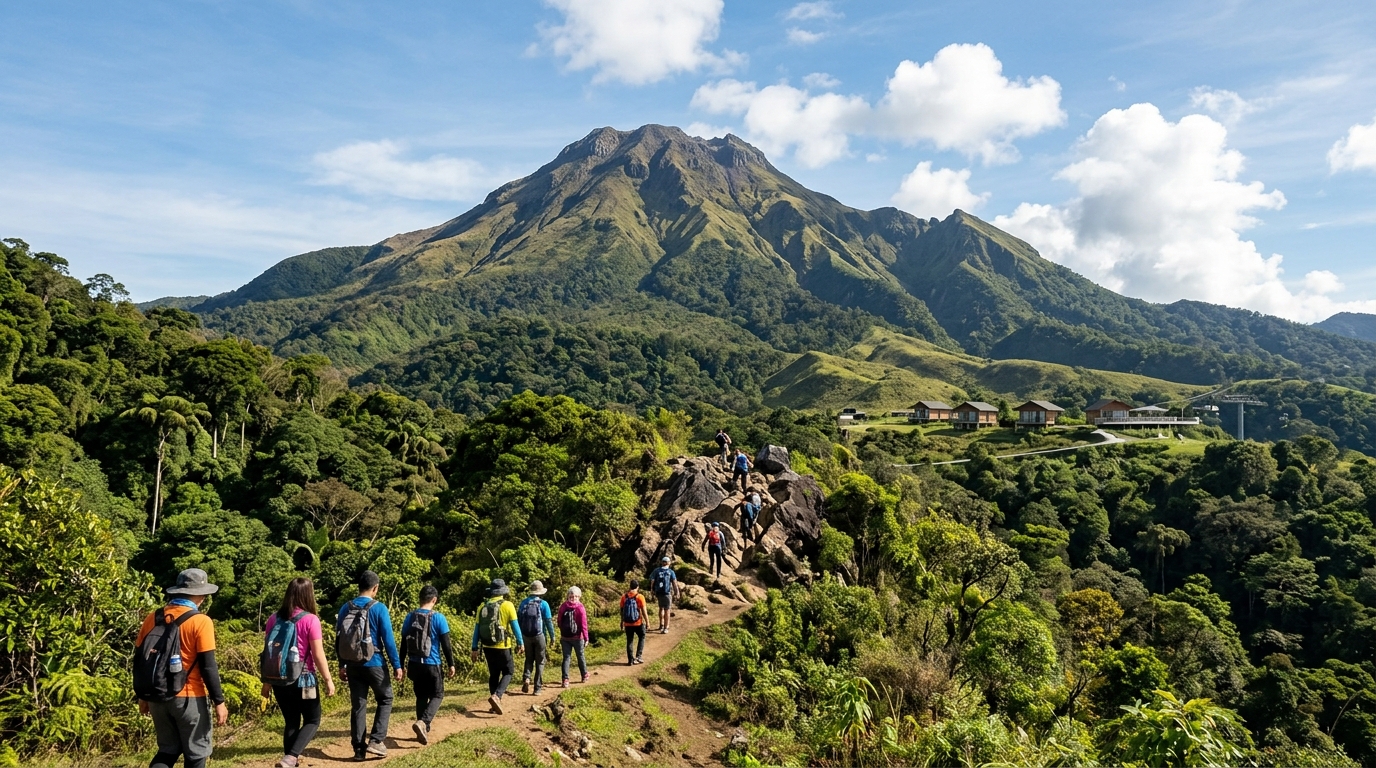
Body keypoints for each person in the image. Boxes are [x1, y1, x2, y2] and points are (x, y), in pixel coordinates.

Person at [134, 568, 229, 768]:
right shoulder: (201, 621)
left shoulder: (153, 617)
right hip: (189, 697)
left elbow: (142, 661)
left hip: (157, 696)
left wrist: (144, 697)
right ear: (199, 594)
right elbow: (208, 666)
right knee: (196, 754)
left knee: (167, 750)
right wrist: (219, 701)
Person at [261, 577, 335, 768]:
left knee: (291, 721)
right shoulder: (311, 620)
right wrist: (328, 680)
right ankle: (291, 757)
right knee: (312, 720)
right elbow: (318, 655)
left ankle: (288, 762)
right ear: (308, 595)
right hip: (305, 679)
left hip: (278, 678)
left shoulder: (273, 618)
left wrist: (266, 683)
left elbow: (268, 654)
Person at [335, 570, 403, 762]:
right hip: (375, 664)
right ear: (375, 588)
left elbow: (339, 639)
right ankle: (376, 740)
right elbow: (388, 639)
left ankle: (358, 750)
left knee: (358, 705)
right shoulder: (379, 608)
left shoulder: (344, 608)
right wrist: (397, 665)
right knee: (386, 698)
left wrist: (342, 664)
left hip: (353, 664)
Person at [401, 584, 455, 745]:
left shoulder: (410, 617)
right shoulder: (439, 618)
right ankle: (423, 723)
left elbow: (403, 643)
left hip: (414, 664)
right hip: (432, 663)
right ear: (434, 600)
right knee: (438, 695)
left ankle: (423, 727)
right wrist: (451, 664)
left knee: (421, 696)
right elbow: (446, 645)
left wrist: (400, 664)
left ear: (420, 599)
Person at [471, 578, 524, 715]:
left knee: (493, 674)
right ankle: (497, 696)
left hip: (487, 646)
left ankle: (494, 706)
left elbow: (476, 630)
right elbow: (515, 626)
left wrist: (474, 648)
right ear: (503, 592)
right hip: (503, 646)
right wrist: (520, 642)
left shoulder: (481, 607)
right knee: (509, 671)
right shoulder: (508, 605)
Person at [518, 581, 556, 695]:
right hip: (539, 636)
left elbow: (519, 621)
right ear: (540, 592)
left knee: (529, 659)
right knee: (540, 661)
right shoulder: (543, 604)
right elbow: (548, 622)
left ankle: (527, 678)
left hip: (526, 636)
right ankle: (537, 688)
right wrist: (552, 636)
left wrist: (519, 639)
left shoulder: (523, 603)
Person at [556, 586, 589, 688]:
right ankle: (584, 675)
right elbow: (583, 624)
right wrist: (586, 638)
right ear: (579, 596)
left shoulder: (563, 606)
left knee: (566, 658)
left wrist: (562, 631)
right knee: (580, 656)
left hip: (565, 637)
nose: (574, 597)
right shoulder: (580, 608)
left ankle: (565, 680)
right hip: (577, 637)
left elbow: (559, 621)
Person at [648, 556, 680, 634]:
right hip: (667, 593)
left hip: (659, 593)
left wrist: (652, 590)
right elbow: (674, 583)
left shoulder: (656, 571)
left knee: (661, 608)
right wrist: (677, 592)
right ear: (668, 563)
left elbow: (652, 580)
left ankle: (661, 625)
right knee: (667, 610)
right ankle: (666, 627)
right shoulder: (670, 572)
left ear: (662, 562)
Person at [620, 579, 648, 665]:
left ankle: (630, 660)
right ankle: (638, 656)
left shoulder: (624, 597)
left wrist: (622, 622)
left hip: (627, 623)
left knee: (629, 641)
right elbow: (644, 611)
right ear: (638, 587)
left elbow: (622, 611)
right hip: (638, 622)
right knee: (642, 636)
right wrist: (647, 622)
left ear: (630, 587)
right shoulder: (640, 597)